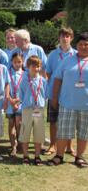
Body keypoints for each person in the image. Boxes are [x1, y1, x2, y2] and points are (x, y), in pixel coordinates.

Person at [49, 32, 88, 168]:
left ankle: (80, 157)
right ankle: (59, 155)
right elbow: (57, 79)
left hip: (86, 105)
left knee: (84, 132)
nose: (84, 47)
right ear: (76, 45)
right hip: (67, 103)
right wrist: (54, 98)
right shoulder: (68, 59)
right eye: (81, 44)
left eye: (86, 45)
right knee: (63, 131)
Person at [45, 27, 76, 156]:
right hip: (54, 94)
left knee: (70, 121)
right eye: (62, 36)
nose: (64, 38)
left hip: (70, 94)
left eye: (67, 36)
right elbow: (48, 73)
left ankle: (69, 147)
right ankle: (53, 145)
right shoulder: (52, 54)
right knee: (54, 120)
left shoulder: (76, 54)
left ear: (71, 38)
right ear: (59, 38)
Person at [19, 56, 47, 166]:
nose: (36, 68)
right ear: (28, 67)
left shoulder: (43, 80)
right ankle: (25, 156)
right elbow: (21, 95)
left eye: (38, 66)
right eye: (33, 66)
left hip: (38, 109)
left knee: (38, 133)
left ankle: (37, 156)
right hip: (27, 109)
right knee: (25, 132)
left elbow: (44, 95)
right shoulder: (24, 80)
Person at [6, 53, 24, 157]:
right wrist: (10, 100)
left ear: (22, 62)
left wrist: (18, 101)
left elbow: (26, 90)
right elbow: (5, 87)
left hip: (20, 103)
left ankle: (20, 144)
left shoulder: (25, 74)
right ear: (11, 62)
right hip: (10, 102)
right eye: (15, 62)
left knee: (19, 124)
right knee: (11, 124)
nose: (17, 64)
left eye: (19, 62)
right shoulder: (8, 73)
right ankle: (13, 146)